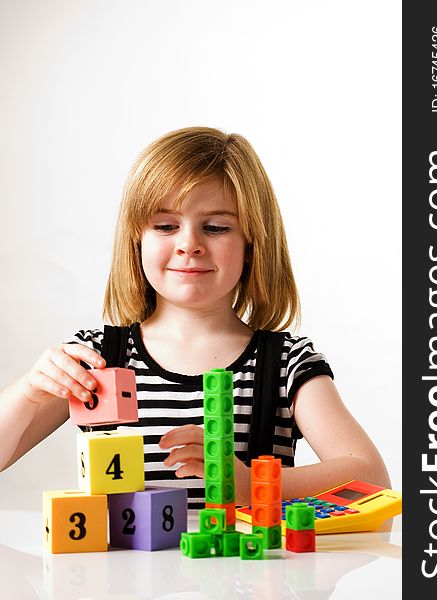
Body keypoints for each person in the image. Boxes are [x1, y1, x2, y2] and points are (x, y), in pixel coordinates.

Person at [0, 126, 390, 507]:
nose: (190, 245)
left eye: (216, 227)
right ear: (137, 240)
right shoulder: (95, 357)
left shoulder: (286, 363)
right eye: (166, 226)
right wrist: (28, 393)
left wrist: (253, 483)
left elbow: (370, 476)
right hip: (118, 573)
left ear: (252, 243)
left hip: (246, 571)